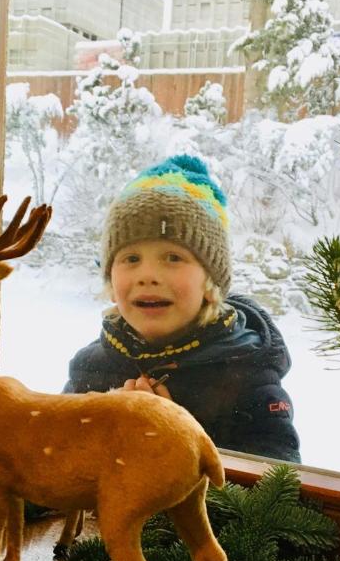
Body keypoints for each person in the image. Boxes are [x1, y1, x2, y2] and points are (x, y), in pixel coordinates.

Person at [64, 154, 301, 463]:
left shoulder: (247, 376)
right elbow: (54, 463)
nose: (148, 275)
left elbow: (278, 496)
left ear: (210, 280)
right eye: (131, 259)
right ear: (110, 279)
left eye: (173, 257)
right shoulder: (91, 369)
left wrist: (169, 447)